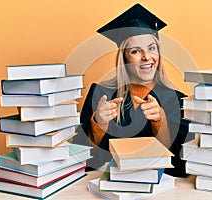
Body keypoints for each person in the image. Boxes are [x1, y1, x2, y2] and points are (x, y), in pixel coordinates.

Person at [74, 4, 190, 177]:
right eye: (136, 51)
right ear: (124, 58)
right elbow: (82, 160)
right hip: (107, 184)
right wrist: (98, 123)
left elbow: (181, 165)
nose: (147, 57)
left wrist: (160, 120)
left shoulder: (177, 100)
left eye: (152, 48)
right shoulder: (101, 94)